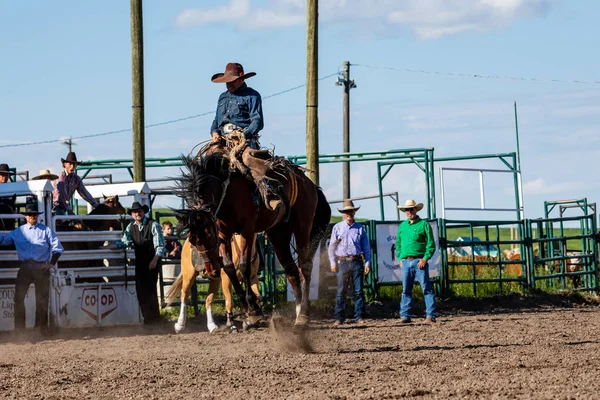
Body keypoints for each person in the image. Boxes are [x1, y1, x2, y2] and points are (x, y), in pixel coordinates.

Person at [210, 62, 282, 212]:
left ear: (241, 79)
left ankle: (268, 194)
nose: (228, 85)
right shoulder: (222, 97)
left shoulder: (252, 95)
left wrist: (243, 135)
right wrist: (214, 132)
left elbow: (257, 121)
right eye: (227, 82)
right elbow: (216, 121)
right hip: (223, 139)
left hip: (245, 140)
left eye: (231, 81)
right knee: (205, 162)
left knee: (250, 161)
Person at [0, 202, 64, 335]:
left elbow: (58, 248)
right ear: (26, 216)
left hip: (40, 267)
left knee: (41, 299)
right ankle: (20, 330)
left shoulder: (45, 230)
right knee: (19, 298)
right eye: (30, 215)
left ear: (37, 216)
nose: (32, 217)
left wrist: (51, 263)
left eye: (34, 214)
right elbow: (3, 240)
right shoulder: (19, 231)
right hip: (25, 267)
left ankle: (40, 329)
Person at [114, 202, 165, 325]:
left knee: (151, 290)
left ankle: (155, 320)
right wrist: (112, 246)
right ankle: (148, 319)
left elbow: (160, 245)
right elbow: (125, 242)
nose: (138, 214)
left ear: (143, 212)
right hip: (140, 263)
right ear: (132, 214)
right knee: (140, 292)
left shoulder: (153, 224)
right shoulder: (131, 227)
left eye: (139, 211)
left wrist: (154, 260)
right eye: (135, 212)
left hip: (152, 261)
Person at [327, 200, 371, 326]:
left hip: (356, 261)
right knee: (341, 291)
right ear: (343, 214)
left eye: (350, 211)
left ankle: (359, 317)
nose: (349, 214)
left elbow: (366, 248)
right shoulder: (337, 228)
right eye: (347, 212)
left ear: (354, 212)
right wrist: (332, 262)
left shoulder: (360, 229)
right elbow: (331, 247)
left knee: (359, 291)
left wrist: (367, 262)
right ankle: (339, 317)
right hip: (342, 261)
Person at [396, 199, 437, 323]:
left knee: (426, 288)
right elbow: (398, 243)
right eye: (407, 210)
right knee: (406, 289)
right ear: (405, 212)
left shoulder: (424, 224)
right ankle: (405, 315)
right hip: (406, 261)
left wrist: (425, 258)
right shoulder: (402, 226)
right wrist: (400, 258)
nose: (409, 212)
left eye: (411, 209)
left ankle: (430, 315)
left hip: (419, 260)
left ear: (416, 210)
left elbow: (431, 244)